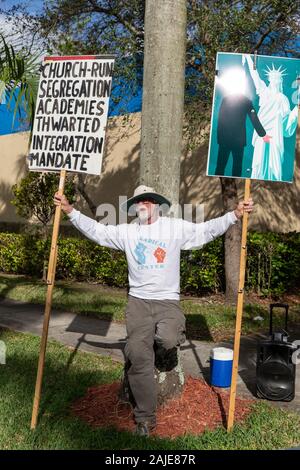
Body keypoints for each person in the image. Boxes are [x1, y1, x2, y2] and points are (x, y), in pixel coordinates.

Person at [54, 184, 254, 436]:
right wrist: (70, 210)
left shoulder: (174, 227)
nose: (143, 204)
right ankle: (145, 419)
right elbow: (98, 231)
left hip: (167, 302)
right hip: (138, 304)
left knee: (168, 339)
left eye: (148, 200)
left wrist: (234, 215)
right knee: (137, 356)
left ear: (157, 205)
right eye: (139, 201)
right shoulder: (127, 232)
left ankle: (166, 340)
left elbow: (205, 231)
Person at [243, 54, 298, 181]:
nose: (275, 82)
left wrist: (295, 111)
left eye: (278, 80)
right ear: (269, 80)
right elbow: (255, 76)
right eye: (273, 79)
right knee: (259, 163)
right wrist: (248, 58)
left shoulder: (283, 98)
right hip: (262, 134)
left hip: (275, 135)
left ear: (281, 82)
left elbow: (286, 123)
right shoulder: (264, 92)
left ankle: (272, 184)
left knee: (275, 165)